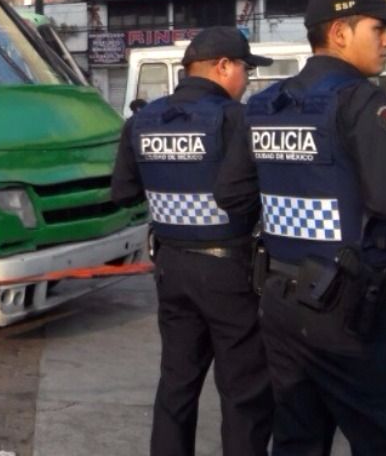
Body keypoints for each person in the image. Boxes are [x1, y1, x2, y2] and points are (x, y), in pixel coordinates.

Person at [218, 0, 386, 455]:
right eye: (379, 28)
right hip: (349, 312)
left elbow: (231, 195)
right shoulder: (362, 101)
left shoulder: (264, 105)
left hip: (280, 302)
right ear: (340, 33)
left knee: (299, 438)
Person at [112, 26, 275, 456]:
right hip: (231, 272)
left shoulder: (141, 120)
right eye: (245, 68)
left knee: (177, 385)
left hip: (171, 269)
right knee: (243, 390)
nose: (247, 80)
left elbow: (125, 192)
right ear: (223, 67)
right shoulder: (235, 120)